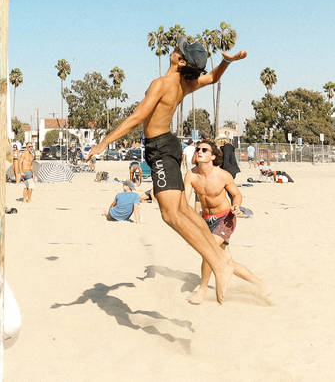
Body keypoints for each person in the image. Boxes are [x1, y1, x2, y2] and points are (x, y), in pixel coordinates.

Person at [88, 37, 247, 303]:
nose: (173, 50)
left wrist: (104, 142)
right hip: (166, 147)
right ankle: (219, 259)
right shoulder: (184, 84)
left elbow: (137, 117)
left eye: (177, 50)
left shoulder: (161, 84)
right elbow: (213, 79)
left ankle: (219, 263)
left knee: (171, 215)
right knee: (182, 210)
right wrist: (225, 62)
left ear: (181, 61)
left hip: (160, 149)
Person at [183, 139, 268, 304]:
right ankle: (261, 285)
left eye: (204, 150)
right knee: (226, 260)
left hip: (225, 218)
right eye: (198, 149)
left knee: (208, 250)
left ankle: (202, 289)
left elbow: (237, 195)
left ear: (213, 156)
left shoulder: (222, 175)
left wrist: (237, 206)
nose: (199, 152)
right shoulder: (191, 175)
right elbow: (185, 200)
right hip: (205, 220)